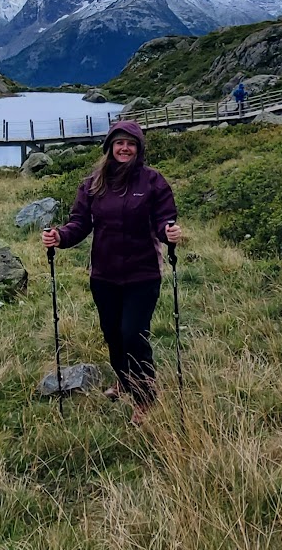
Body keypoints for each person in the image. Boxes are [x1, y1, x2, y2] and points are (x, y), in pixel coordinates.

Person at [42, 121, 181, 427]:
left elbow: (163, 220)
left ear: (139, 149)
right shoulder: (94, 183)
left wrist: (168, 231)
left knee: (133, 335)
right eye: (119, 143)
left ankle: (145, 398)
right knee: (113, 336)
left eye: (131, 144)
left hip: (143, 275)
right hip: (104, 275)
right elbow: (79, 223)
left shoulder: (153, 182)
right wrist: (60, 237)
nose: (124, 148)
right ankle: (123, 379)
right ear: (109, 147)